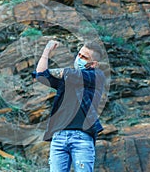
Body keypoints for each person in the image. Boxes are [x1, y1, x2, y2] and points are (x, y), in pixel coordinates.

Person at [33, 40, 106, 172]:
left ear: (94, 64)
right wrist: (47, 51)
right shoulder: (67, 80)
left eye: (84, 57)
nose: (79, 59)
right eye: (79, 55)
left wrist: (51, 73)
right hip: (58, 136)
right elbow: (41, 75)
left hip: (82, 138)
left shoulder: (96, 76)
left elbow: (67, 73)